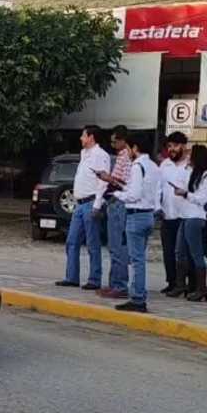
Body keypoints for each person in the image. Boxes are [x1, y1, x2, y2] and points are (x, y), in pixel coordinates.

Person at [56, 125, 111, 290]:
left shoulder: (100, 155)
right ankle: (72, 276)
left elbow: (103, 181)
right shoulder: (84, 154)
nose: (81, 138)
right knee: (72, 241)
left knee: (93, 243)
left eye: (83, 135)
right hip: (79, 204)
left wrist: (97, 204)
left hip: (91, 202)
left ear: (91, 137)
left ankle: (94, 279)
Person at [114, 136, 161, 313]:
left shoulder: (137, 166)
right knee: (139, 258)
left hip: (136, 215)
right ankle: (137, 294)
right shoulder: (154, 167)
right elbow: (155, 192)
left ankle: (138, 298)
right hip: (148, 215)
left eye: (129, 148)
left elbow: (134, 194)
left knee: (137, 260)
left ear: (135, 148)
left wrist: (117, 195)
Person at [167, 144, 207, 302]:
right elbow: (176, 181)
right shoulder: (186, 170)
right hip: (184, 215)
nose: (187, 155)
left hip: (195, 217)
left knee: (196, 253)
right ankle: (181, 285)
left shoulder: (205, 175)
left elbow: (202, 199)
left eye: (190, 153)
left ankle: (202, 288)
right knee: (179, 251)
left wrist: (186, 194)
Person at [95, 125, 133, 299]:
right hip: (114, 202)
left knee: (117, 246)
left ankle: (119, 285)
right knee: (113, 246)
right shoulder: (122, 156)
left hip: (119, 202)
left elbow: (123, 183)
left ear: (122, 140)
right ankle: (114, 283)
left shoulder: (126, 157)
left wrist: (107, 178)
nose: (112, 144)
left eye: (114, 141)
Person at [157, 132, 189, 294]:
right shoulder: (164, 165)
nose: (172, 149)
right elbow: (158, 188)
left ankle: (184, 284)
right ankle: (171, 282)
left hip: (184, 216)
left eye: (175, 146)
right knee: (168, 251)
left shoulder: (190, 166)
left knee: (182, 253)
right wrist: (158, 207)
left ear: (184, 146)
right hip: (167, 214)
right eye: (169, 146)